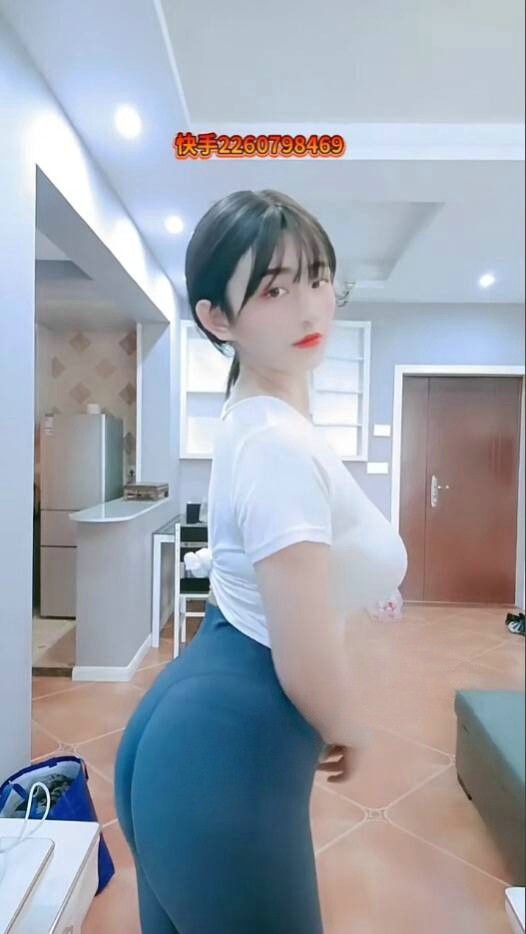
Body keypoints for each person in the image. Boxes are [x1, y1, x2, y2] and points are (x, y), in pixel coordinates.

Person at [114, 189, 408, 933]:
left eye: (317, 279)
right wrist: (350, 725)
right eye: (274, 290)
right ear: (219, 318)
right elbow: (302, 656)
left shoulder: (257, 419)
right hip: (227, 748)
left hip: (200, 726)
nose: (309, 309)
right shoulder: (277, 441)